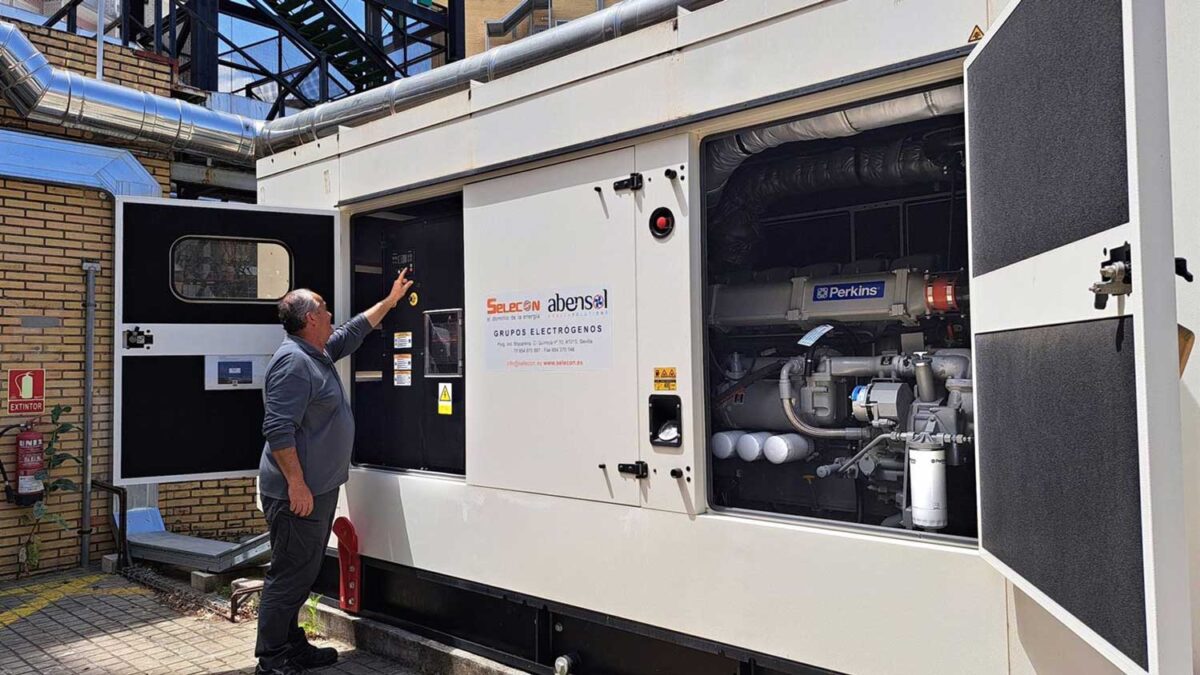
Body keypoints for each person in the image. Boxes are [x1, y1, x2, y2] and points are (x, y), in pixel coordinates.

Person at [255, 269, 412, 675]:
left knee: (302, 571)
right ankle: (271, 661)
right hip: (298, 493)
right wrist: (297, 484)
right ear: (309, 319)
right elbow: (277, 429)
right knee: (289, 576)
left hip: (315, 488)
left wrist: (392, 300)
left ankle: (292, 645)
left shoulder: (317, 351)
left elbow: (353, 331)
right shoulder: (292, 363)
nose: (330, 315)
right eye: (324, 309)